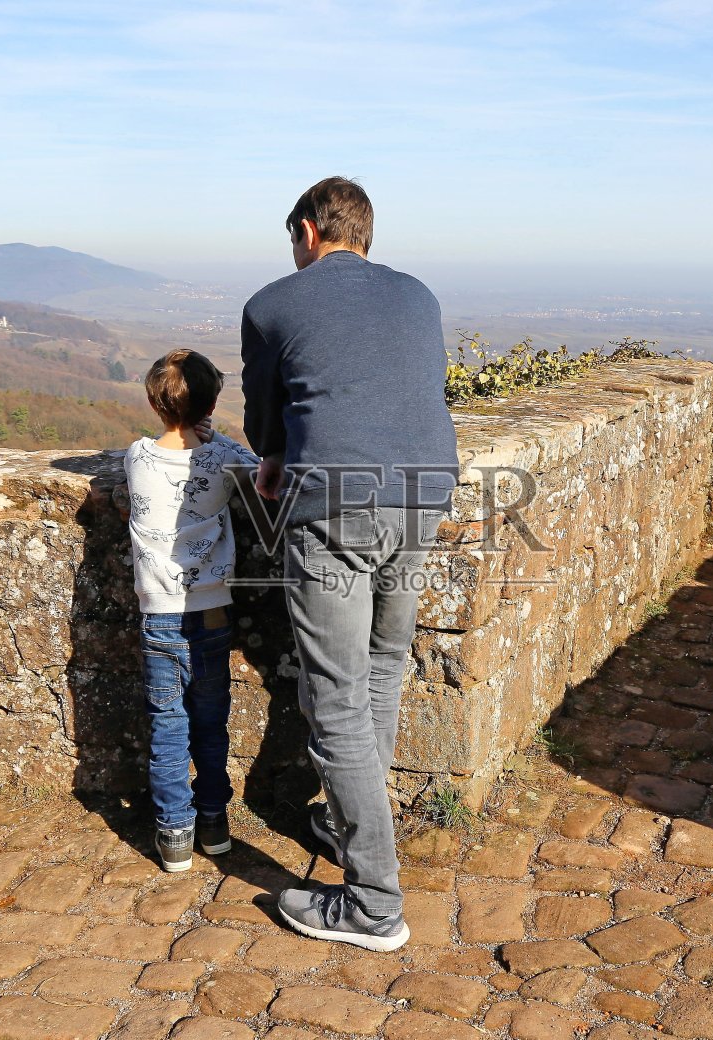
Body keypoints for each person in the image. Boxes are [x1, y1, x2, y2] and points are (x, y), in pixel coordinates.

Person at [241, 176, 459, 951]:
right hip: (424, 491)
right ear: (362, 234)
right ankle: (344, 826)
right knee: (383, 664)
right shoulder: (420, 296)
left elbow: (266, 420)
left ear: (309, 231)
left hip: (334, 502)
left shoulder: (273, 305)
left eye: (292, 240)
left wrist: (271, 459)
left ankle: (372, 902)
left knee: (335, 701)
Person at [124, 348, 258, 872]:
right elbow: (255, 471)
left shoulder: (137, 456)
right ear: (211, 402)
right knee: (210, 722)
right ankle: (215, 823)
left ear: (155, 403)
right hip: (212, 614)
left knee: (167, 725)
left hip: (158, 614)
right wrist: (215, 433)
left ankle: (174, 834)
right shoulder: (221, 456)